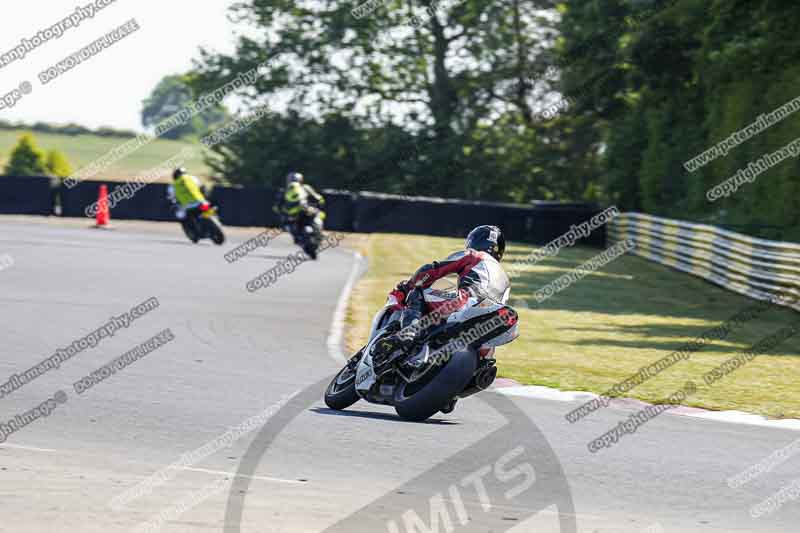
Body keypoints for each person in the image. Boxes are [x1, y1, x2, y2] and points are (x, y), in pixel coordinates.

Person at [373, 225, 514, 362]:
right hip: (487, 327)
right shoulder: (505, 279)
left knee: (418, 290)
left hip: (466, 304)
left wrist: (406, 288)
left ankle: (408, 335)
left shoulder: (475, 255)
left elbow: (432, 270)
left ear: (474, 242)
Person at [275, 172, 326, 244]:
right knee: (286, 223)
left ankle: (318, 233)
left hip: (303, 210)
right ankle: (299, 236)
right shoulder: (284, 190)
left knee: (319, 214)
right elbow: (278, 205)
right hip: (294, 213)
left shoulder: (303, 188)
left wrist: (319, 202)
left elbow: (317, 197)